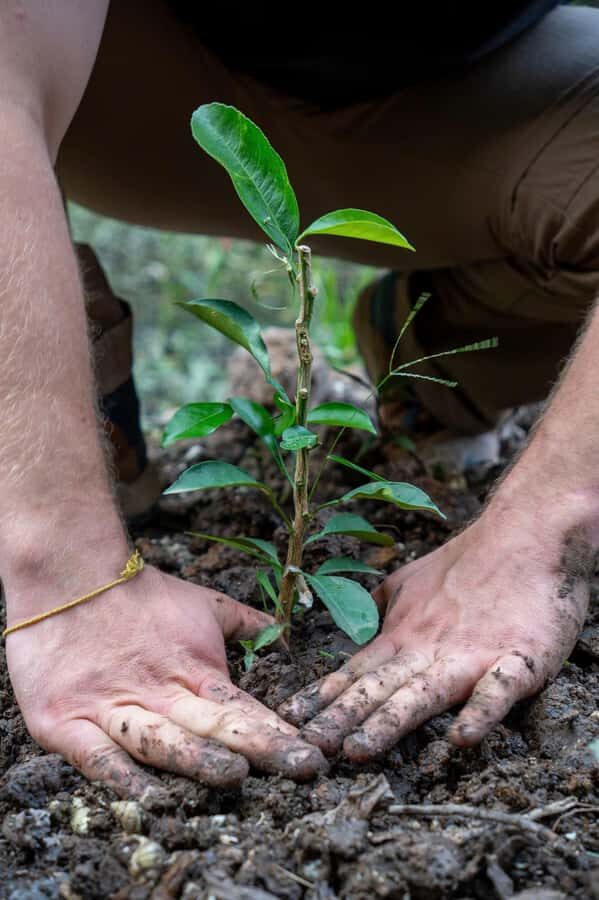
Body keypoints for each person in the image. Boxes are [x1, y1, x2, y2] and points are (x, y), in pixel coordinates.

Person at [1, 0, 597, 797]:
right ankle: (67, 378)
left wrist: (546, 535)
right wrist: (64, 574)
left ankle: (443, 358)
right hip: (125, 66)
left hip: (457, 88)